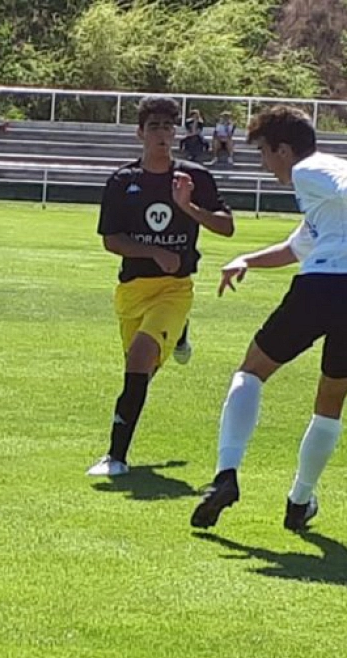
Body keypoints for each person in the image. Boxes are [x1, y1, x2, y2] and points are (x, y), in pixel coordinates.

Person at [191, 105, 347, 533]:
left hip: (323, 288)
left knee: (252, 371)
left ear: (283, 149)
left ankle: (226, 477)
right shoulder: (321, 198)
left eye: (263, 152)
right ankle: (299, 502)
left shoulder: (311, 170)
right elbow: (298, 247)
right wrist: (247, 260)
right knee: (331, 401)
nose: (264, 163)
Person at [86, 96, 234, 478]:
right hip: (132, 291)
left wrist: (188, 207)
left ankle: (114, 457)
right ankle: (180, 335)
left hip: (175, 288)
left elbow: (225, 226)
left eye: (168, 128)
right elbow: (111, 239)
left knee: (139, 357)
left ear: (177, 134)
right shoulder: (123, 181)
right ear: (140, 133)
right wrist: (153, 251)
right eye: (154, 127)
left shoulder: (193, 178)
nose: (162, 135)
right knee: (142, 371)